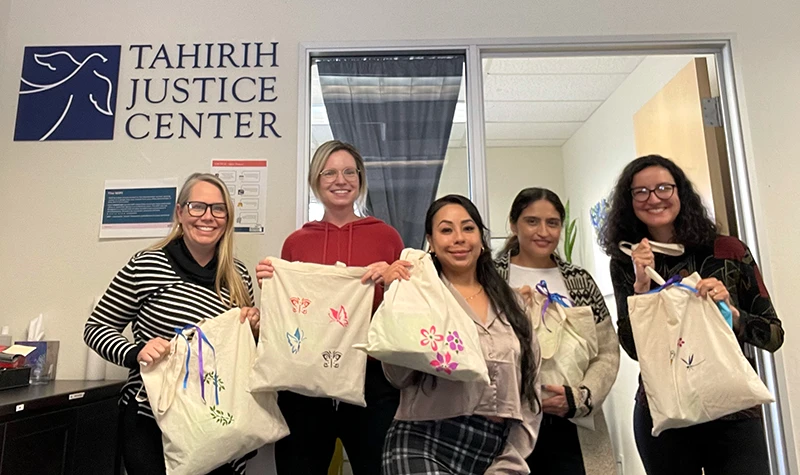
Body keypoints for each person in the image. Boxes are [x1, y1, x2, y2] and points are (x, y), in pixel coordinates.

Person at [599, 154, 784, 475]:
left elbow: (773, 336)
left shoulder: (728, 251)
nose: (653, 198)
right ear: (629, 202)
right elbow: (632, 348)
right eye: (640, 192)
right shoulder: (625, 260)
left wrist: (731, 312)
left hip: (734, 411)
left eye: (663, 188)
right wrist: (641, 288)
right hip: (664, 409)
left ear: (680, 192)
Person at [84, 173, 261, 475]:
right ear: (180, 213)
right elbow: (96, 327)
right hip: (152, 417)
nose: (208, 216)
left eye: (218, 209)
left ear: (227, 219)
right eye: (197, 207)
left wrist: (255, 332)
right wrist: (136, 351)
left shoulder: (238, 275)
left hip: (218, 420)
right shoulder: (147, 264)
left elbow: (241, 358)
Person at [256, 140, 404, 475]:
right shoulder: (296, 242)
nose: (341, 180)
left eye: (350, 172)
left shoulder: (387, 237)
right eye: (330, 172)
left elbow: (407, 308)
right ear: (315, 180)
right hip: (305, 381)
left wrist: (393, 279)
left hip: (372, 379)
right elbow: (291, 311)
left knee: (377, 468)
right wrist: (274, 283)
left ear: (360, 178)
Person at [380, 194, 542, 474]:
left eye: (468, 228)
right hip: (422, 439)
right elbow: (397, 377)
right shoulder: (417, 296)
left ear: (481, 237)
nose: (458, 238)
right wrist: (395, 302)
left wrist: (512, 459)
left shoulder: (513, 304)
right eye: (446, 230)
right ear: (430, 241)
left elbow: (531, 387)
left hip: (496, 448)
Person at [494, 187, 620, 475]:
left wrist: (580, 398)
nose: (543, 231)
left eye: (552, 223)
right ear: (513, 224)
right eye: (532, 221)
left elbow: (606, 352)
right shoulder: (491, 277)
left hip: (573, 424)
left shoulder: (580, 281)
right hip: (507, 424)